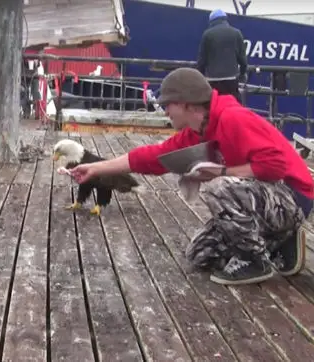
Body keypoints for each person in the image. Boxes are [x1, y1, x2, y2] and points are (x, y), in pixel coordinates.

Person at [68, 67, 314, 285]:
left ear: (187, 103)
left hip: (294, 197)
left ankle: (256, 260)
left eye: (168, 105)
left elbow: (275, 165)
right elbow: (152, 157)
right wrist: (96, 168)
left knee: (217, 187)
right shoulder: (199, 131)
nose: (165, 112)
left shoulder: (232, 118)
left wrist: (223, 172)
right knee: (200, 254)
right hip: (266, 200)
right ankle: (280, 240)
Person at [196, 9, 248, 103]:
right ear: (225, 19)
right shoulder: (236, 33)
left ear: (211, 21)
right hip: (231, 78)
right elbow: (243, 59)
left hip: (212, 79)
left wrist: (200, 76)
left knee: (214, 104)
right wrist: (242, 73)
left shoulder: (207, 34)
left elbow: (202, 60)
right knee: (233, 104)